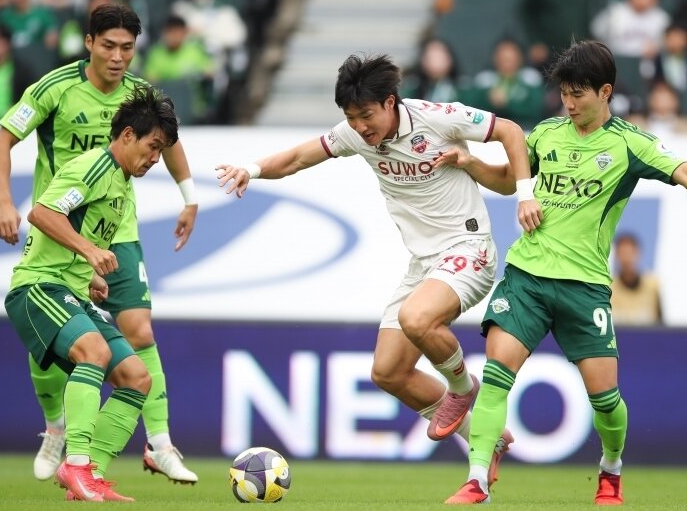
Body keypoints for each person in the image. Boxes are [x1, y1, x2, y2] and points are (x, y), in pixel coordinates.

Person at [442, 40, 687, 505]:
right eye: (564, 92)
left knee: (605, 400)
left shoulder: (630, 143)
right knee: (498, 370)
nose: (569, 102)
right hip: (528, 275)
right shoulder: (545, 134)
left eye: (578, 93)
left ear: (605, 92)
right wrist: (472, 163)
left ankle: (611, 468)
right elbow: (509, 180)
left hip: (584, 288)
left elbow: (685, 172)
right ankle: (477, 478)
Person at [215, 53, 542, 473]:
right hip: (424, 263)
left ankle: (463, 387)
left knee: (417, 318)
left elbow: (512, 132)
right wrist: (252, 169)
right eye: (351, 118)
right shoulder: (357, 136)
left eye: (365, 115)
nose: (359, 126)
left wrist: (525, 193)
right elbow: (298, 158)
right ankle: (485, 436)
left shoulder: (437, 118)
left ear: (391, 103)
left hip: (469, 248)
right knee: (388, 372)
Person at [0, 3, 201, 484]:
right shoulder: (55, 88)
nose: (118, 56)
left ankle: (160, 444)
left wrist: (188, 197)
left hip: (115, 231)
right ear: (89, 43)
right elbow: (2, 141)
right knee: (60, 338)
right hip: (62, 227)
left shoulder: (141, 97)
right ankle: (56, 428)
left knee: (139, 332)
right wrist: (5, 201)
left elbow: (168, 141)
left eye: (127, 48)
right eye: (109, 45)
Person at [4, 86, 179, 502]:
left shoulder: (119, 185)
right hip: (38, 286)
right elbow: (42, 213)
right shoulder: (95, 167)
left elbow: (78, 232)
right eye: (153, 147)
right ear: (127, 136)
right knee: (95, 354)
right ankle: (76, 465)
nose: (155, 159)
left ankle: (91, 476)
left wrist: (90, 275)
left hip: (73, 290)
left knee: (137, 379)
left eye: (162, 150)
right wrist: (90, 250)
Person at [610, 233, 662, 326]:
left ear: (638, 253)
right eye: (622, 253)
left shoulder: (652, 286)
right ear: (616, 256)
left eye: (630, 253)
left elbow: (661, 325)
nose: (626, 258)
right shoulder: (609, 288)